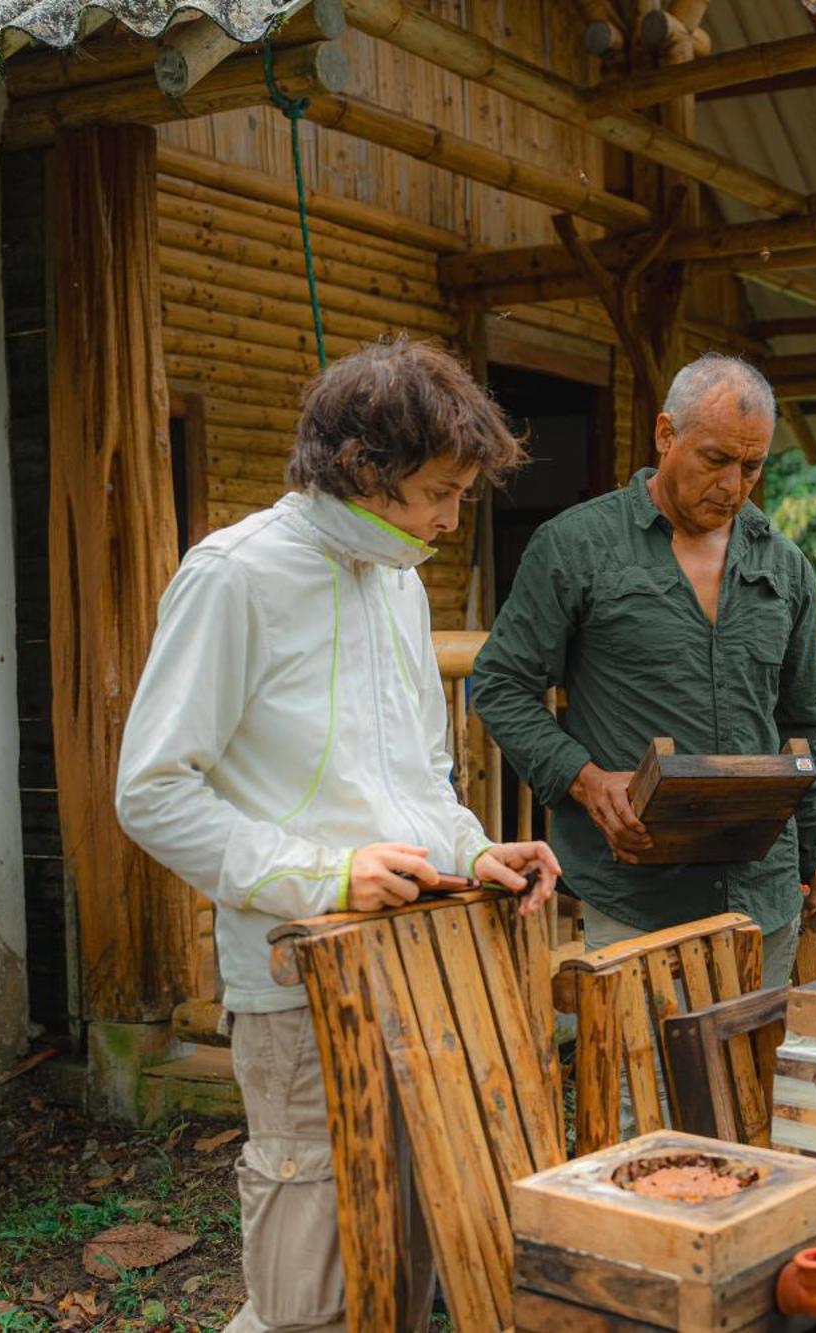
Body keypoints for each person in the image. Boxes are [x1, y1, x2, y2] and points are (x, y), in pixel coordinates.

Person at [116, 337, 562, 1333]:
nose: (453, 519)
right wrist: (325, 874)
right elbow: (149, 791)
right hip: (297, 972)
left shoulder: (395, 581)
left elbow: (415, 784)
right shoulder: (232, 575)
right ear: (366, 469)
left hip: (418, 957)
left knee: (402, 1228)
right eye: (441, 492)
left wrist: (474, 853)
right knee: (309, 1256)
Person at [470, 353, 816, 989]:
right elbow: (502, 686)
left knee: (752, 1077)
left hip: (763, 893)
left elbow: (804, 722)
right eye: (716, 459)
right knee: (644, 1087)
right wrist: (585, 781)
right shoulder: (577, 546)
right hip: (638, 892)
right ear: (666, 435)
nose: (733, 485)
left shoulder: (785, 567)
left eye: (752, 466)